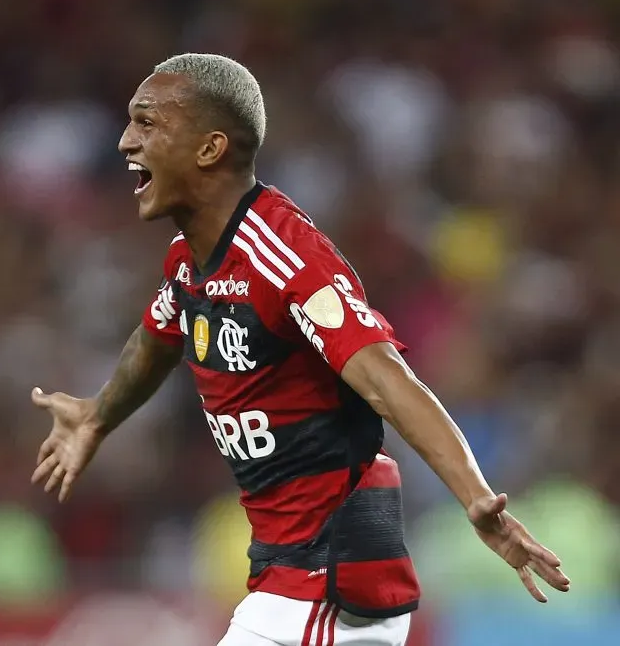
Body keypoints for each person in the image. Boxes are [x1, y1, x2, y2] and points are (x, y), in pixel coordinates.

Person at [29, 53, 570, 646]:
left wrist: (476, 499)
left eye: (148, 123)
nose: (126, 141)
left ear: (209, 149)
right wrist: (98, 414)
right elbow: (157, 336)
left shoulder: (283, 255)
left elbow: (387, 378)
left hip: (327, 583)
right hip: (293, 576)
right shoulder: (191, 263)